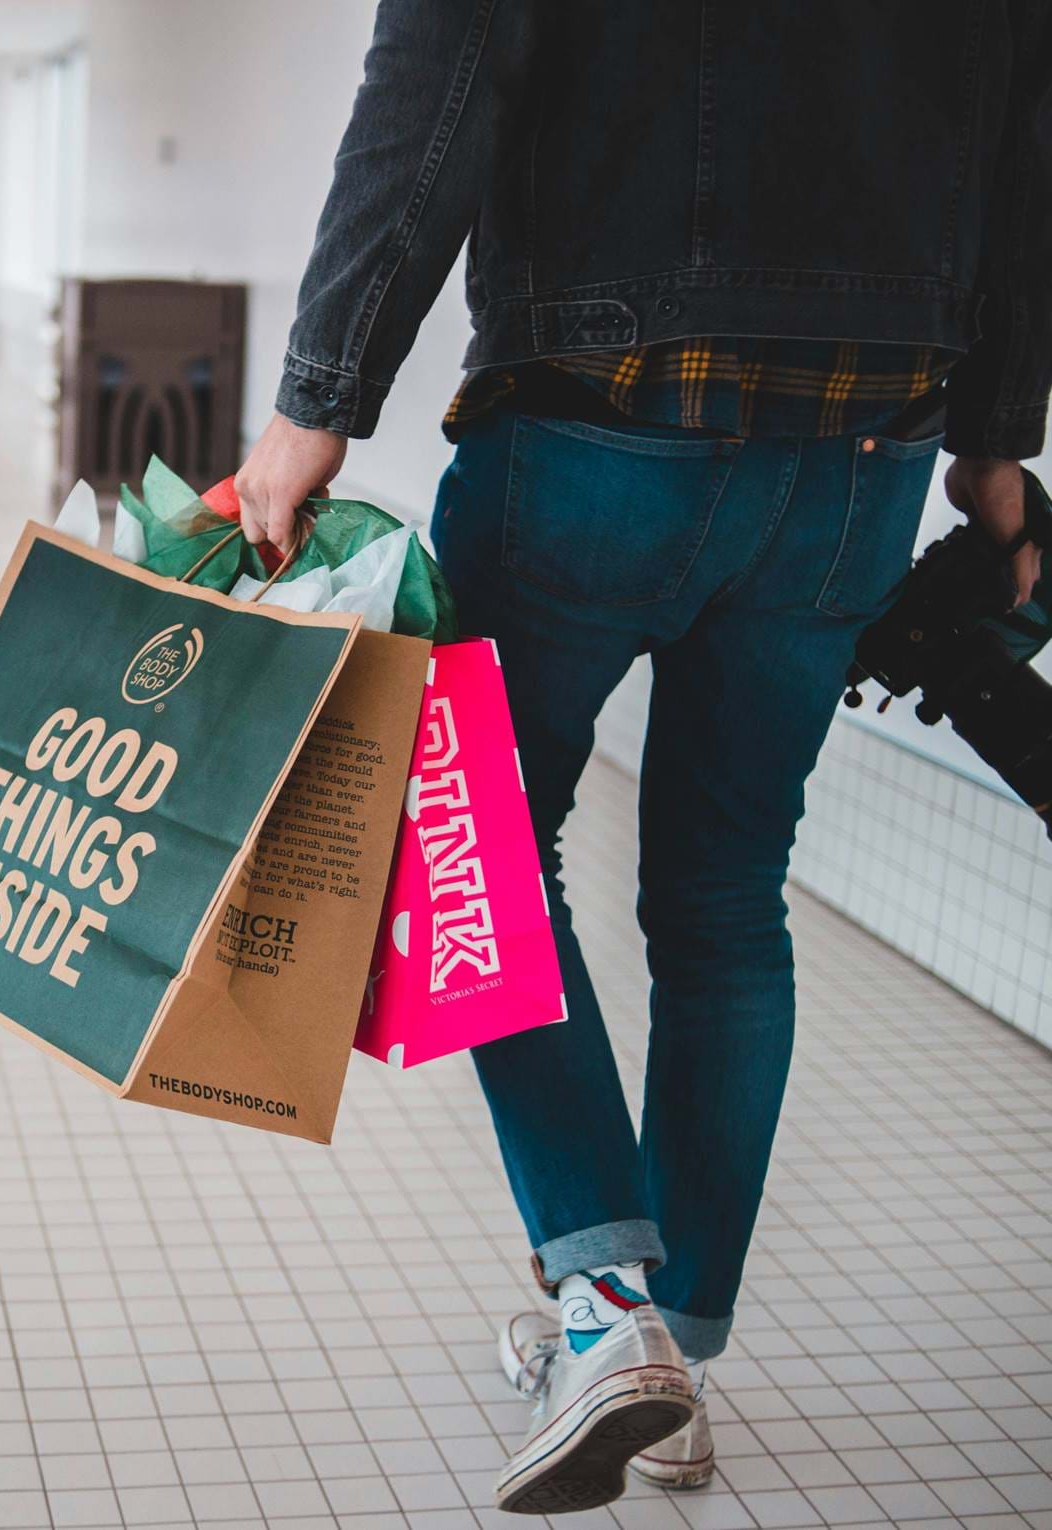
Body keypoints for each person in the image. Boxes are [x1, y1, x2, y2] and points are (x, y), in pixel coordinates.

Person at [236, 2, 1051, 1516]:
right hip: (862, 450)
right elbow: (1024, 130)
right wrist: (998, 457)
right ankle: (681, 1363)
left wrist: (317, 399)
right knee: (729, 896)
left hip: (591, 430)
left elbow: (441, 74)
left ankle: (608, 1315)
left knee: (483, 843)